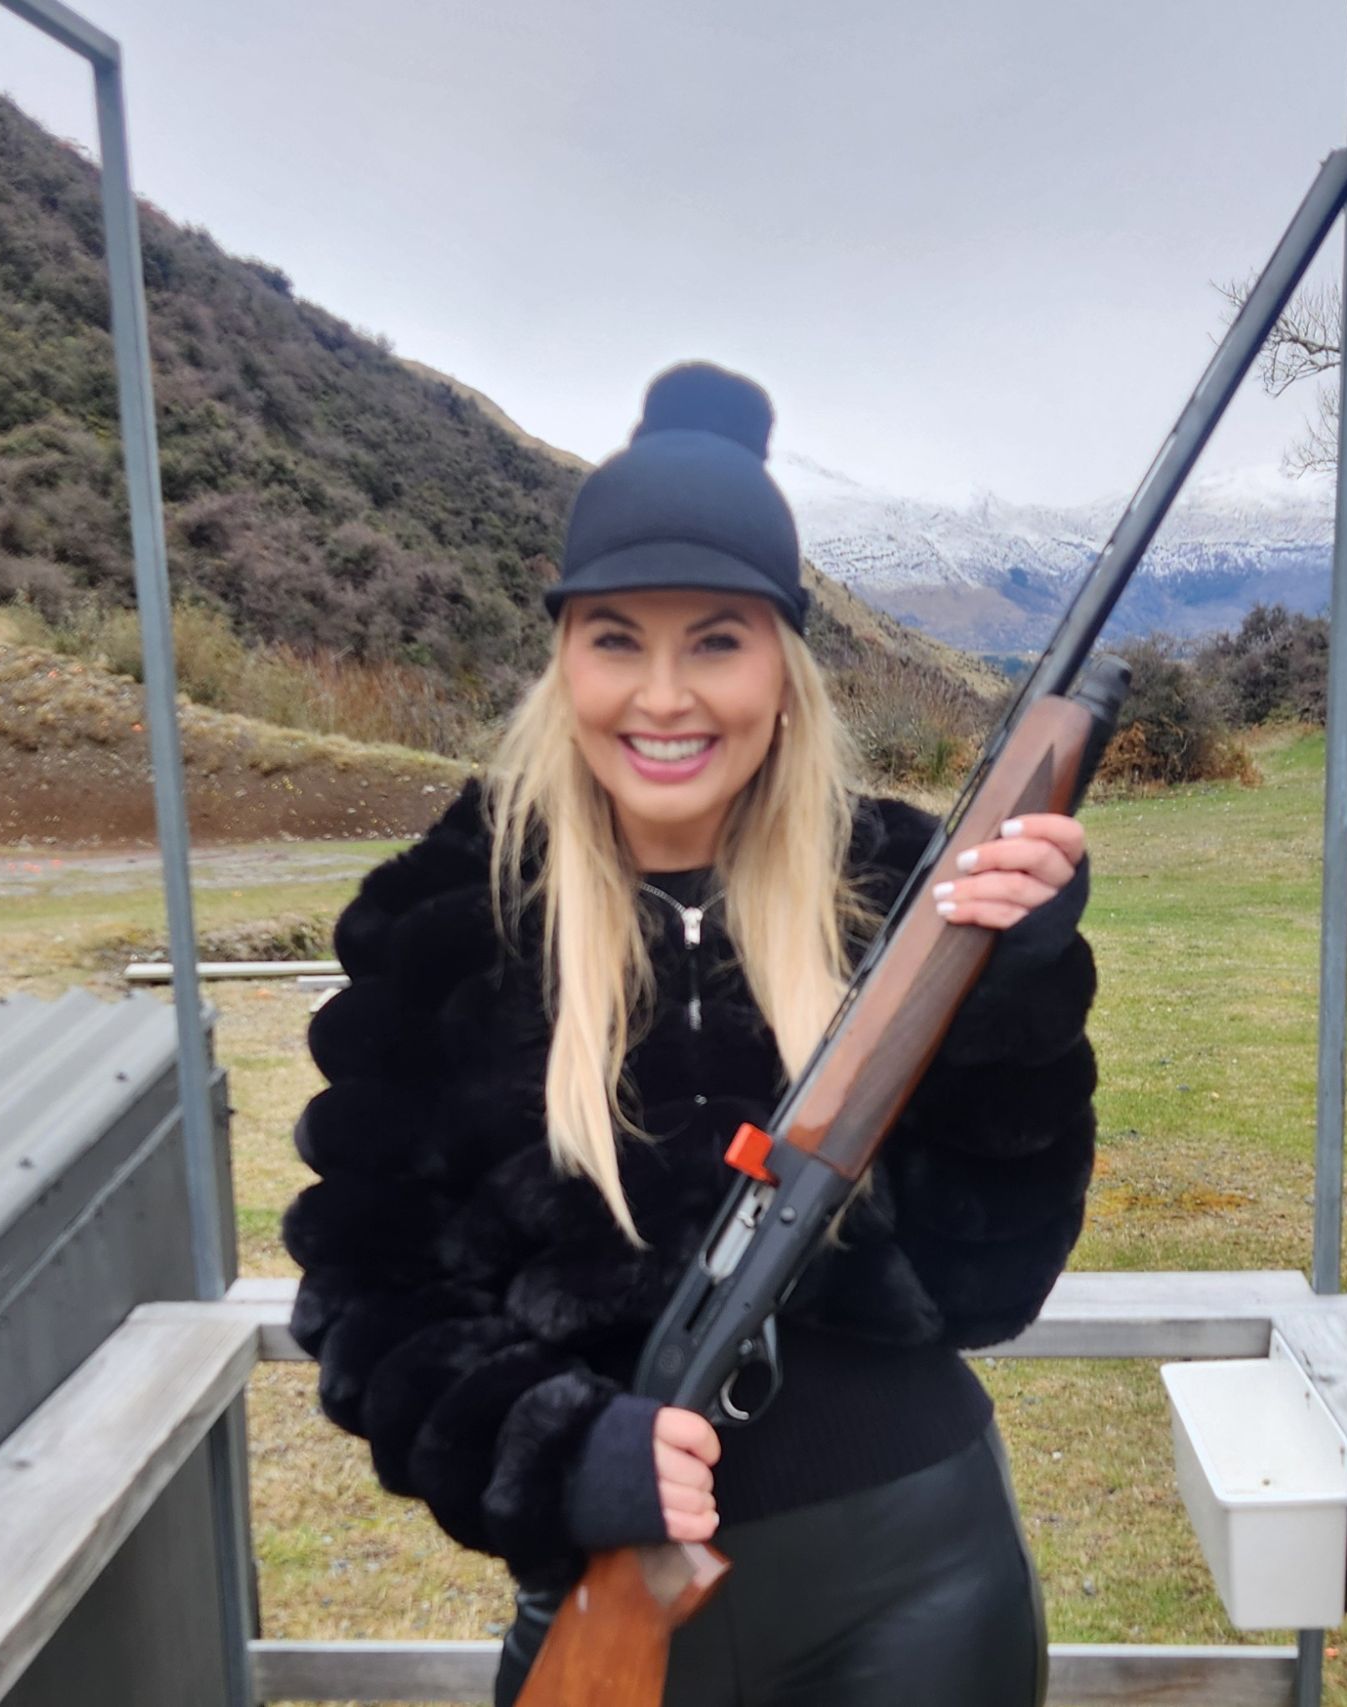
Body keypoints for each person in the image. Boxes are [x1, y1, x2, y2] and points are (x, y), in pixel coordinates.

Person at [283, 362, 1098, 1707]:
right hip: (610, 1599)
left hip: (916, 1584)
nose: (663, 697)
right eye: (616, 638)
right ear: (564, 661)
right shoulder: (444, 920)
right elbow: (369, 1300)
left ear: (782, 663)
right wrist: (551, 1453)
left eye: (714, 638)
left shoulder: (910, 891)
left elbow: (983, 1291)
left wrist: (1013, 995)